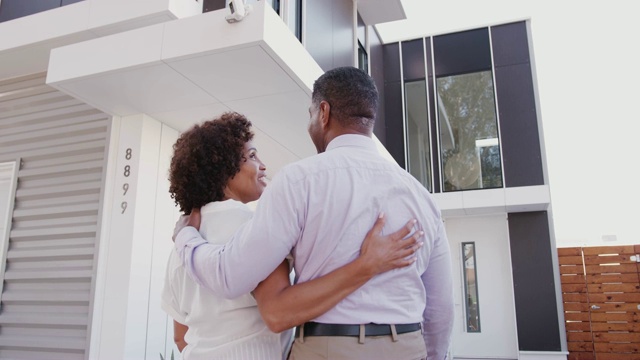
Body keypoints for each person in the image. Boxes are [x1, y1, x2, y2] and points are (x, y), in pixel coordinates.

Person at [174, 67, 454, 359]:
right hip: (407, 346)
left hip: (329, 348)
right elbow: (440, 309)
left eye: (310, 115)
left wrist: (186, 238)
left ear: (323, 112)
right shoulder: (421, 196)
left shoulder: (299, 181)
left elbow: (231, 276)